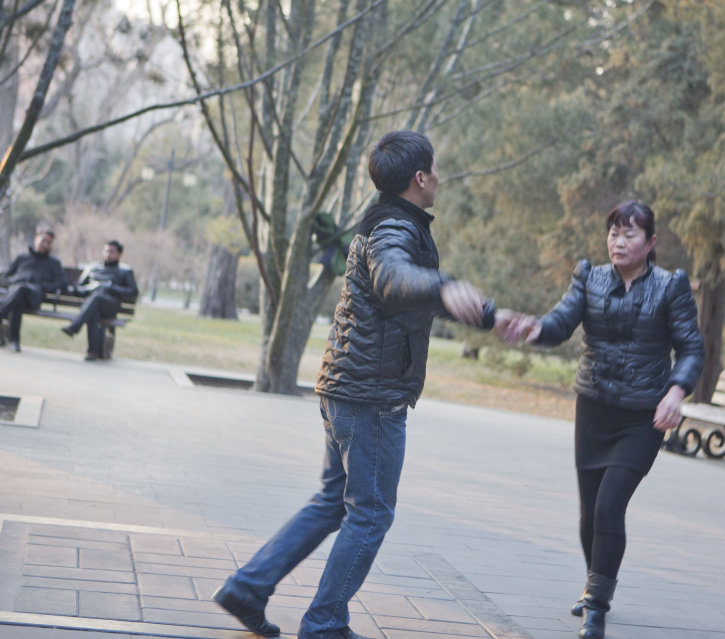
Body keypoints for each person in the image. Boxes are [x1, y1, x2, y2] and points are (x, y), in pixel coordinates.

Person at [211, 131, 520, 639]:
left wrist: (485, 313)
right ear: (420, 178)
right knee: (371, 514)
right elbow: (395, 279)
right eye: (435, 169)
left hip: (347, 386)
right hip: (369, 397)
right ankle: (325, 623)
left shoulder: (387, 222)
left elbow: (406, 293)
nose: (439, 177)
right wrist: (446, 286)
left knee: (335, 502)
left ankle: (249, 587)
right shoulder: (395, 229)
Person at [506, 201, 704, 639]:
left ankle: (596, 606)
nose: (618, 241)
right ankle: (596, 581)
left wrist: (676, 391)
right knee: (588, 515)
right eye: (613, 232)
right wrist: (536, 329)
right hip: (593, 409)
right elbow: (560, 322)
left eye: (629, 234)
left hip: (643, 416)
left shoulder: (671, 287)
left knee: (610, 506)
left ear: (650, 242)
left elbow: (691, 347)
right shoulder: (590, 278)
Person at [60, 240, 138, 361]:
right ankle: (93, 352)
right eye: (106, 251)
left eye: (112, 251)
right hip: (92, 304)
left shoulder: (125, 271)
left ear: (119, 254)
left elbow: (133, 292)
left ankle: (74, 326)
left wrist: (111, 287)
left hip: (110, 305)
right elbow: (78, 288)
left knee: (96, 299)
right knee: (94, 309)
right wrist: (92, 287)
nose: (108, 254)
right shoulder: (92, 268)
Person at [0, 228, 67, 352]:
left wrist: (44, 286)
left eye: (49, 243)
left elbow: (62, 283)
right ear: (35, 239)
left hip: (34, 296)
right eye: (43, 240)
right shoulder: (22, 258)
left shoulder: (53, 263)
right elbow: (7, 276)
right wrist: (14, 281)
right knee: (18, 298)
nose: (45, 245)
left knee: (20, 290)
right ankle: (14, 341)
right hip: (16, 293)